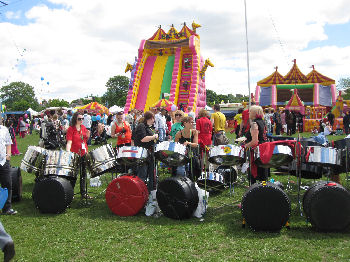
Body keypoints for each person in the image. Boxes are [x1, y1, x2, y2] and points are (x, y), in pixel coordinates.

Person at [66, 112, 91, 199]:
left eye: (82, 119)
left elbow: (84, 140)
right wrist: (68, 152)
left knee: (83, 174)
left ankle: (83, 192)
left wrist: (88, 136)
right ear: (75, 119)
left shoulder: (83, 128)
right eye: (79, 119)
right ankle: (70, 193)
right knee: (73, 175)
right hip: (75, 154)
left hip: (84, 153)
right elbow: (69, 142)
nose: (81, 120)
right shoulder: (71, 129)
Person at [132, 111, 158, 192]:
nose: (154, 120)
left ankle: (150, 191)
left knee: (151, 173)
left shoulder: (149, 127)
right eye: (153, 118)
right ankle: (139, 192)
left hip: (150, 152)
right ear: (151, 118)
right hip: (142, 153)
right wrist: (154, 137)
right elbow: (143, 139)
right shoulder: (141, 126)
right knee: (142, 173)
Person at [244, 105, 269, 184]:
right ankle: (264, 188)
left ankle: (253, 190)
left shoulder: (255, 124)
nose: (248, 112)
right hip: (264, 148)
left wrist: (244, 146)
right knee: (263, 173)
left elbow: (255, 141)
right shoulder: (262, 122)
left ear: (254, 113)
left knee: (254, 173)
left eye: (250, 111)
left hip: (257, 150)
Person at [0, 120, 17, 215]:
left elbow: (8, 143)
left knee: (7, 184)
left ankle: (7, 208)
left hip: (3, 162)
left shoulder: (4, 130)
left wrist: (8, 155)